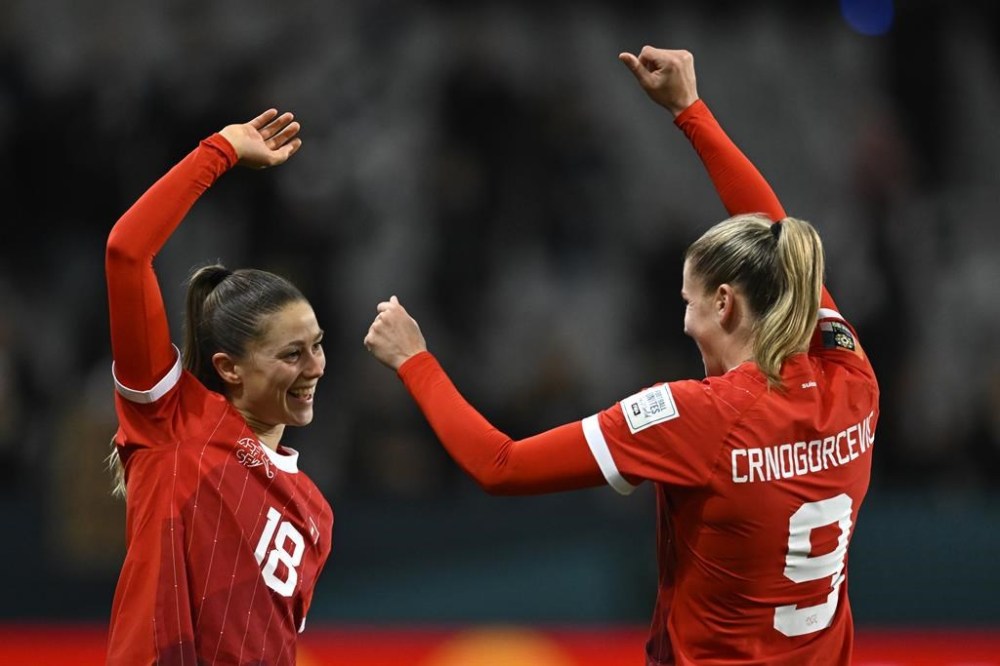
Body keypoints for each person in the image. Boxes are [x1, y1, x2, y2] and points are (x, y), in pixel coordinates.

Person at [364, 47, 878, 665]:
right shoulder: (850, 376)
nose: (680, 315)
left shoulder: (696, 416)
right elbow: (773, 234)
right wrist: (689, 110)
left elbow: (499, 464)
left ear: (722, 304)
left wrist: (414, 360)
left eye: (685, 299)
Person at [104, 108, 333, 665]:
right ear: (230, 368)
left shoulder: (314, 515)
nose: (315, 367)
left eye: (318, 345)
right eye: (292, 354)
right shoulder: (173, 419)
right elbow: (126, 253)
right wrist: (221, 150)